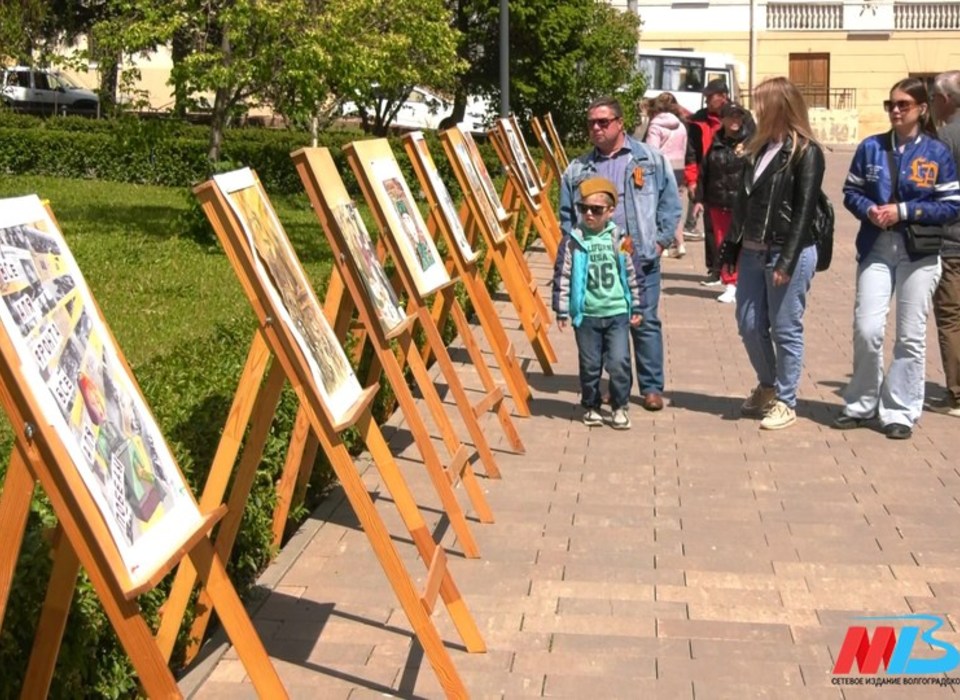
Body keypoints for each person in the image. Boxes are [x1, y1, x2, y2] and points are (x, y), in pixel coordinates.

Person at [834, 77, 960, 439]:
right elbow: (850, 191)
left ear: (922, 109)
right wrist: (869, 210)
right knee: (867, 328)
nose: (896, 110)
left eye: (904, 104)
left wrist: (903, 210)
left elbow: (950, 205)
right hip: (876, 248)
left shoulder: (937, 153)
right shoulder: (870, 147)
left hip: (918, 253)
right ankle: (860, 403)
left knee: (910, 334)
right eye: (891, 104)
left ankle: (900, 411)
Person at [559, 96, 682, 412]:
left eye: (603, 122)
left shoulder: (650, 160)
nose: (596, 128)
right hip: (599, 259)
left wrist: (661, 241)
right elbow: (566, 216)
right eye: (591, 123)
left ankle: (652, 387)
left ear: (620, 123)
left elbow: (670, 203)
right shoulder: (578, 169)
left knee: (645, 321)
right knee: (603, 323)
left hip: (639, 253)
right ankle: (615, 388)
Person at [722, 76, 824, 430]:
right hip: (752, 251)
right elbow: (742, 204)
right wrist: (729, 248)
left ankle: (786, 400)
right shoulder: (757, 147)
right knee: (749, 324)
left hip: (786, 250)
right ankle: (768, 385)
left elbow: (804, 210)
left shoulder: (805, 152)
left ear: (781, 106)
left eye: (763, 102)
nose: (756, 109)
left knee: (785, 328)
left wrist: (787, 260)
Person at [552, 177, 644, 429]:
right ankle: (591, 405)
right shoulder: (573, 240)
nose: (589, 214)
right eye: (583, 209)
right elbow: (563, 276)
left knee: (619, 361)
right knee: (590, 364)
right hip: (587, 315)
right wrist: (562, 310)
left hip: (616, 313)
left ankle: (620, 406)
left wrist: (637, 306)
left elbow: (634, 272)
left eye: (596, 209)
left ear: (611, 211)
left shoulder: (621, 238)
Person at [692, 101, 752, 303]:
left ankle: (745, 283)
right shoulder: (716, 143)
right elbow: (705, 172)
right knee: (723, 244)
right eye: (730, 116)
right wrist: (699, 199)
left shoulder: (751, 143)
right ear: (723, 119)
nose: (735, 121)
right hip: (718, 202)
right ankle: (730, 283)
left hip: (743, 204)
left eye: (738, 117)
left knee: (744, 244)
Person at [931, 71, 960, 417]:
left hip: (952, 241)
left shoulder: (945, 140)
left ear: (946, 99)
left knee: (951, 318)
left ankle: (956, 394)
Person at [685, 79, 732, 283]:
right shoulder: (698, 120)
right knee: (711, 227)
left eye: (710, 96)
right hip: (707, 178)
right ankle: (714, 269)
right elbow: (691, 152)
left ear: (723, 96)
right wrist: (692, 180)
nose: (706, 100)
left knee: (732, 228)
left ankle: (731, 271)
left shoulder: (738, 116)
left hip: (733, 178)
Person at [644, 92, 690, 258]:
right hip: (679, 168)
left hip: (662, 168)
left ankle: (663, 242)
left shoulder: (656, 126)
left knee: (658, 206)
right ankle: (680, 243)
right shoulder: (681, 125)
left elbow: (652, 151)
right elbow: (684, 148)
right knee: (675, 206)